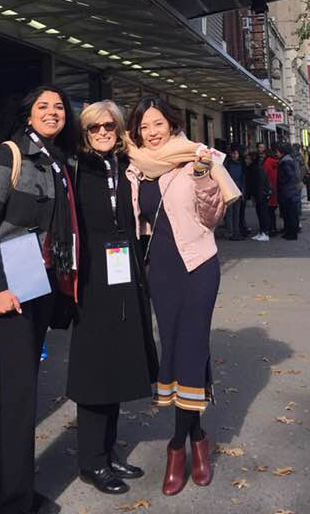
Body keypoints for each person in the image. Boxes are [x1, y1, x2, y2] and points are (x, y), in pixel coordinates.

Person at [0, 85, 79, 514]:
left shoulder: (55, 160)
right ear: (27, 114)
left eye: (59, 107)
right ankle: (8, 504)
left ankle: (10, 492)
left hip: (37, 289)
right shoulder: (9, 154)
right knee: (16, 397)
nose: (52, 113)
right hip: (8, 292)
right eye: (42, 107)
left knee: (22, 396)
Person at [126, 98, 238, 496]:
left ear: (172, 125)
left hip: (198, 266)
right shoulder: (136, 169)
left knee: (190, 346)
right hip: (163, 272)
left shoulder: (196, 158)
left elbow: (212, 217)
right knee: (176, 347)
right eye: (144, 127)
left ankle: (178, 447)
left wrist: (207, 180)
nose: (152, 132)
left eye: (158, 124)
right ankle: (199, 438)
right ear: (136, 133)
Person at [68, 101, 158, 495]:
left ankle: (108, 451)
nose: (103, 132)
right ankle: (91, 462)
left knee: (119, 361)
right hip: (90, 276)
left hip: (126, 270)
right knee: (94, 368)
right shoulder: (75, 168)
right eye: (94, 128)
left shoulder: (126, 164)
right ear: (84, 133)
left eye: (110, 126)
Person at [277, 143, 300, 240]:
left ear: (282, 152)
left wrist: (282, 182)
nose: (276, 154)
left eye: (277, 152)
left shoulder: (285, 162)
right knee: (290, 213)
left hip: (288, 191)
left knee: (290, 213)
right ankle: (289, 232)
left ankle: (291, 233)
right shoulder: (289, 160)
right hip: (290, 191)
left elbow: (289, 176)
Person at [224, 146, 246, 240]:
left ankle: (236, 231)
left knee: (236, 212)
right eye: (233, 153)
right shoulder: (227, 164)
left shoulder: (241, 164)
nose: (234, 155)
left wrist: (243, 191)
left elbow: (243, 179)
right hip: (229, 190)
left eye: (236, 153)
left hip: (238, 190)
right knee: (229, 212)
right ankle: (230, 232)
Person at [262, 148, 280, 236]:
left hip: (268, 189)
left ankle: (270, 229)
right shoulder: (276, 162)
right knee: (272, 212)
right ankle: (274, 228)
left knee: (268, 212)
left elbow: (264, 176)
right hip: (275, 189)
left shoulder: (266, 163)